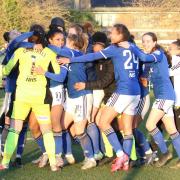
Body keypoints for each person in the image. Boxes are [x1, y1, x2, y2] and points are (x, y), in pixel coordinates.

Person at [59, 24, 141, 172]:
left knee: (103, 122)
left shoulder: (114, 48)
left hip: (123, 91)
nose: (110, 36)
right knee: (127, 130)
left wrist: (71, 60)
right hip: (136, 92)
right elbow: (145, 58)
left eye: (113, 33)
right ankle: (126, 162)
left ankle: (121, 154)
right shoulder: (133, 48)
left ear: (120, 35)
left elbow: (93, 56)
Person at [0, 25, 60, 172]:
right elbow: (58, 74)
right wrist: (44, 71)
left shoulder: (21, 51)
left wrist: (4, 71)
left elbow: (7, 69)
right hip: (40, 97)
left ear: (30, 36)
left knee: (15, 130)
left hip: (21, 96)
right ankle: (53, 164)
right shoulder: (49, 53)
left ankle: (5, 162)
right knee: (46, 130)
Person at [119, 32, 180, 168]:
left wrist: (131, 46)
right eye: (143, 41)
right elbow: (142, 70)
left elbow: (143, 57)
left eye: (148, 41)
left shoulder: (158, 54)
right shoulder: (149, 59)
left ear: (154, 42)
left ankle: (165, 153)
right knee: (172, 130)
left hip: (165, 95)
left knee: (150, 125)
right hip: (163, 96)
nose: (145, 44)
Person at [168, 39, 180, 135]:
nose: (169, 50)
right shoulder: (175, 59)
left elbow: (170, 72)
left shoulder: (178, 60)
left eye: (171, 49)